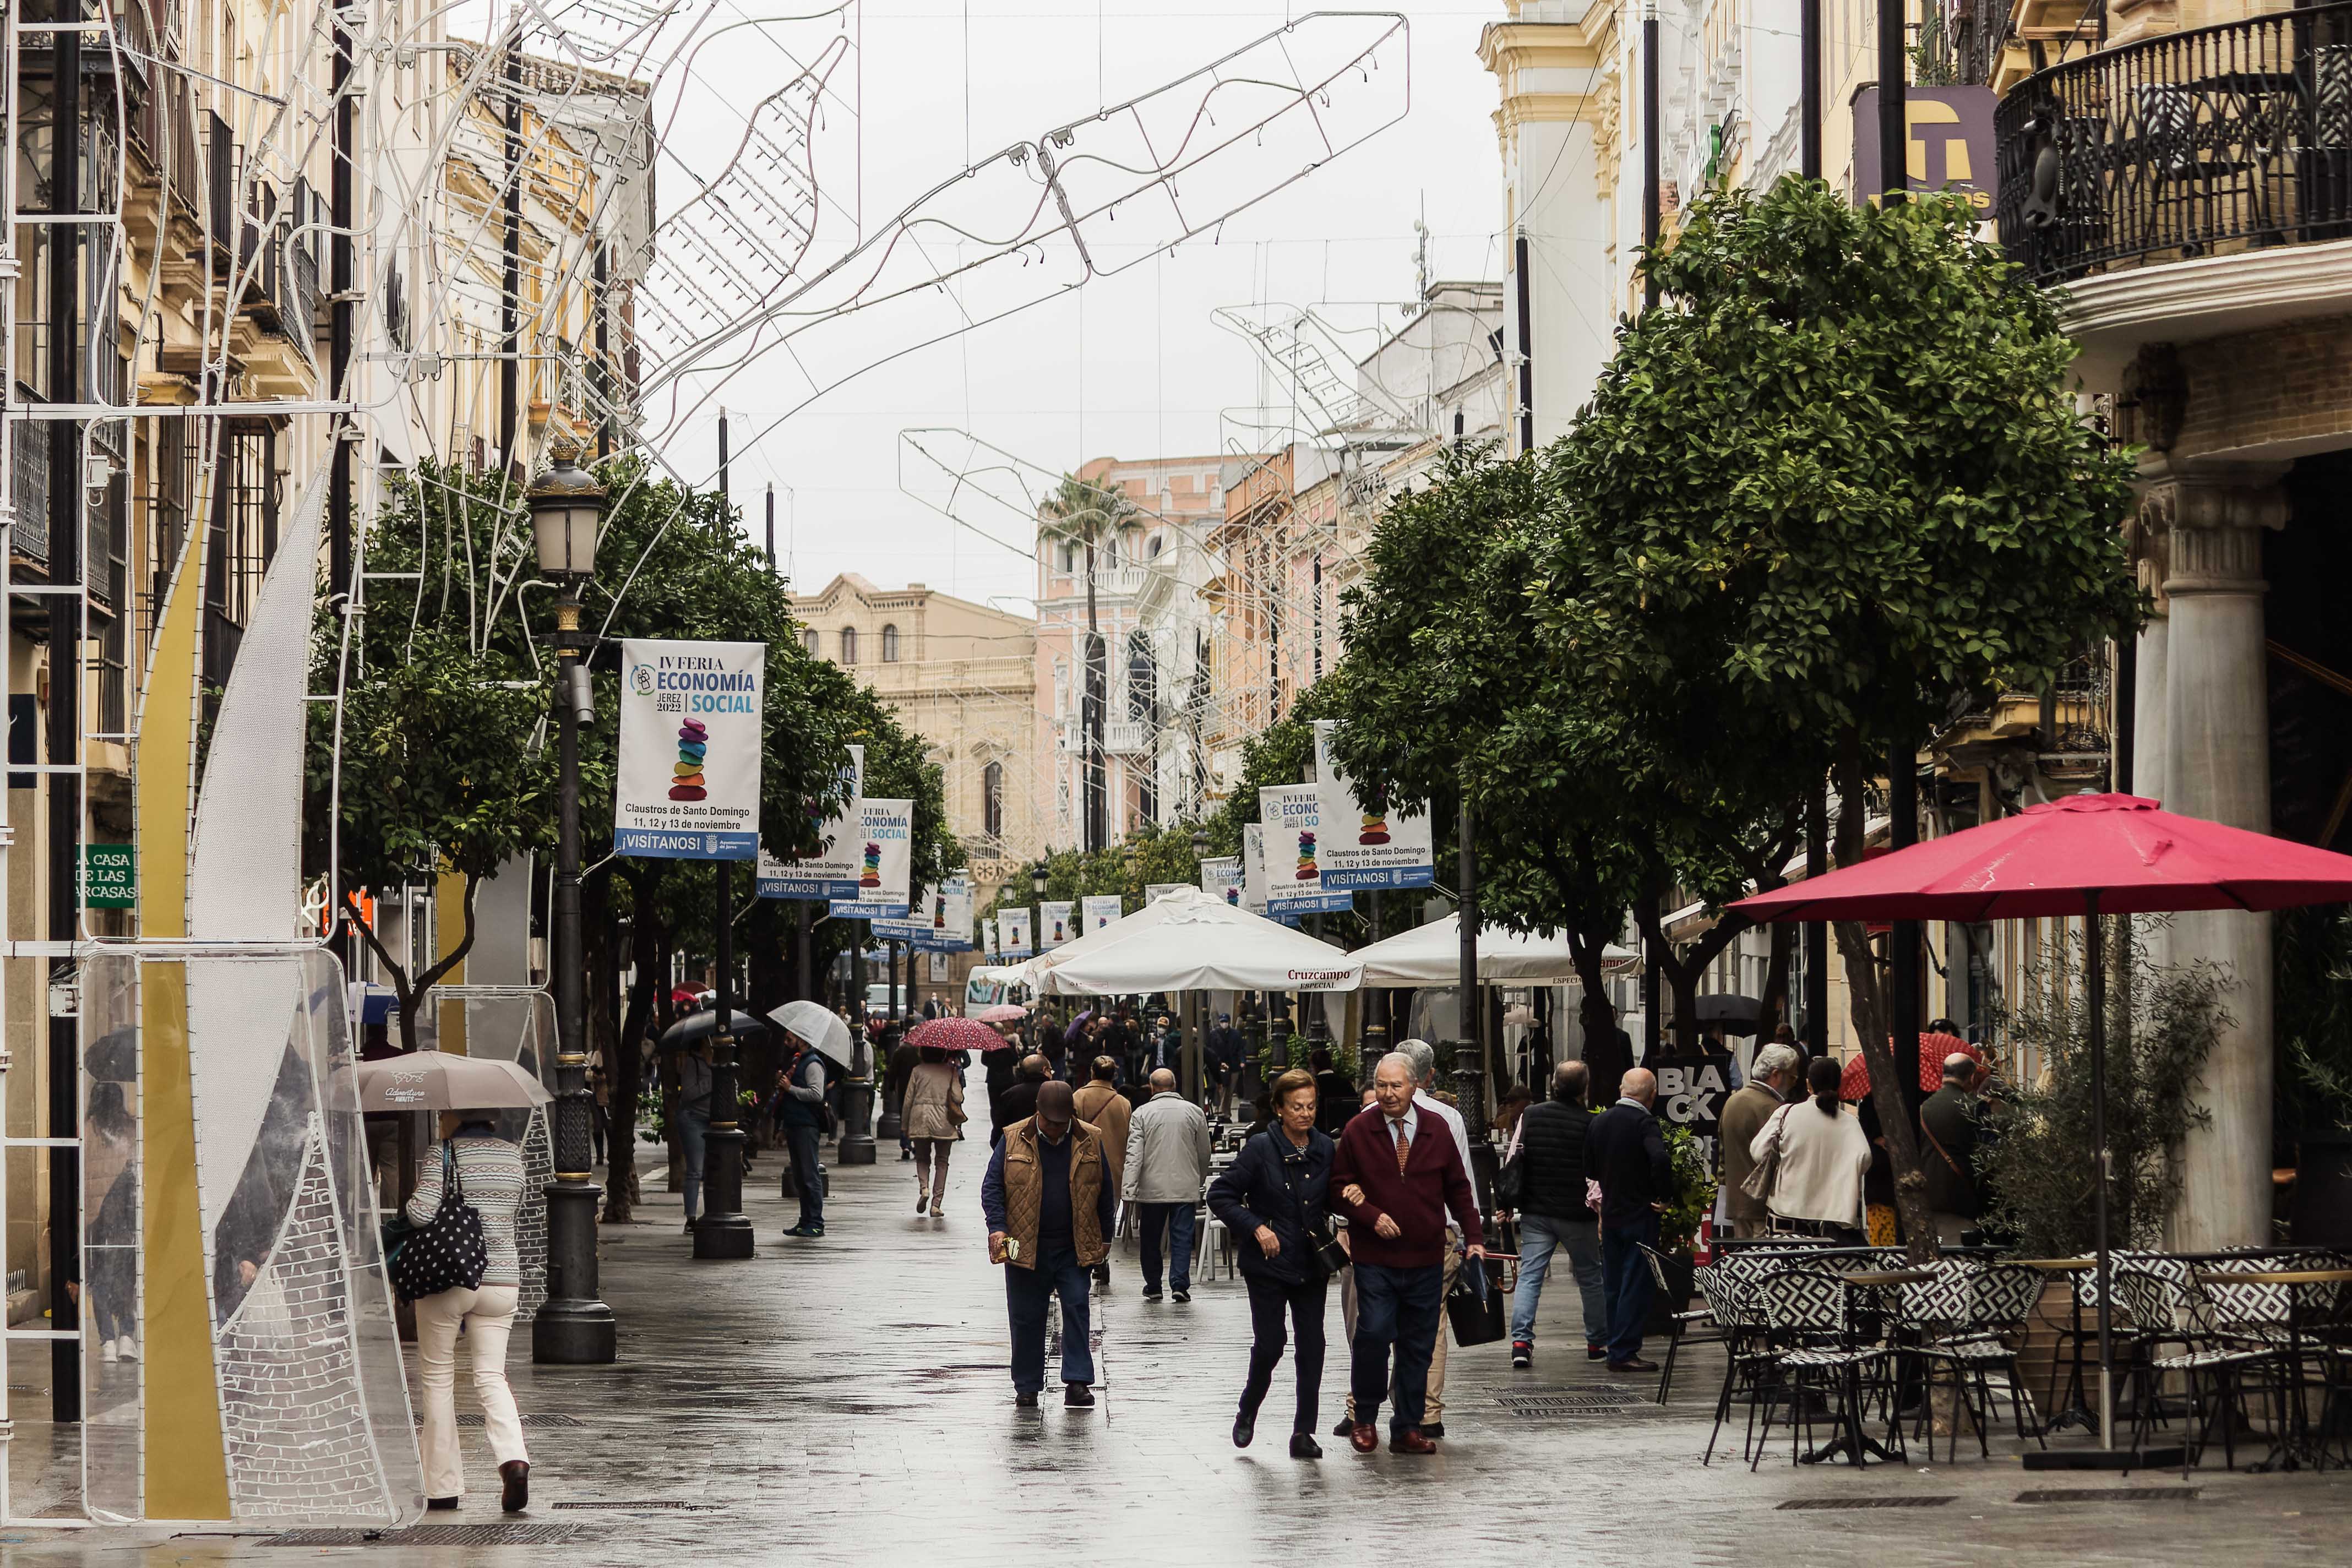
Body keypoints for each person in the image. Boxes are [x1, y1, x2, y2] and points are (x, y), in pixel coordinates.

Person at [1330, 1052, 1484, 1455]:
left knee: (1418, 1344)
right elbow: (1339, 1187)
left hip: (1425, 1256)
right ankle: (1365, 1418)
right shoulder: (1359, 1130)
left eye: (1396, 1086)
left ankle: (1408, 1426)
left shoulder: (1436, 1127)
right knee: (1374, 1332)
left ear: (1415, 1086)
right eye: (1381, 1085)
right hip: (1375, 1257)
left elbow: (1459, 1188)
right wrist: (1369, 1214)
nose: (1387, 1094)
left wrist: (1476, 1238)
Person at [1207, 1068, 1334, 1458]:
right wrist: (1257, 1228)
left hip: (1311, 1261)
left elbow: (1335, 1194)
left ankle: (1303, 1432)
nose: (1305, 1114)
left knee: (1313, 1346)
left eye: (1311, 1107)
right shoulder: (1260, 1148)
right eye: (1297, 1107)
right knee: (1272, 1344)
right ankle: (1248, 1409)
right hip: (1269, 1262)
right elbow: (1220, 1195)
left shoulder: (1325, 1147)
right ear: (1279, 1109)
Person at [410, 1111, 530, 1512]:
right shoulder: (514, 1156)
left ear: (453, 1116)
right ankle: (513, 1460)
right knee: (492, 1376)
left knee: (438, 1376)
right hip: (501, 1281)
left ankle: (443, 1487)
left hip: (451, 1278)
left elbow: (421, 1213)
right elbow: (513, 1212)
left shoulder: (442, 1152)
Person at [981, 1081, 1116, 1409]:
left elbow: (1105, 1191)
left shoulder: (1090, 1138)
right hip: (1022, 1243)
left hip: (1073, 1243)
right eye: (1051, 1122)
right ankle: (1026, 1386)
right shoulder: (1012, 1137)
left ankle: (1078, 1382)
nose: (1057, 1129)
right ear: (1038, 1114)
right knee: (1026, 1316)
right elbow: (992, 1188)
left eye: (1063, 1122)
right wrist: (998, 1228)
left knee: (1076, 1307)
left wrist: (1104, 1239)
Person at [1504, 1061, 1608, 1369]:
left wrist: (1510, 1201)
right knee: (1590, 1276)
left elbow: (1514, 1158)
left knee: (1530, 1276)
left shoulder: (1531, 1115)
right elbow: (1597, 1175)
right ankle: (1597, 1342)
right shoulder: (1593, 1123)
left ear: (1553, 1085)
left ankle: (1521, 1343)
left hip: (1537, 1211)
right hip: (1577, 1213)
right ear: (1585, 1088)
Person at [1587, 1065, 1670, 1374]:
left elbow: (1591, 1167)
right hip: (1640, 1212)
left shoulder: (1600, 1121)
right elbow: (1660, 1158)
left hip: (1611, 1214)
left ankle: (1615, 1344)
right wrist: (1663, 1195)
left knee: (1614, 1282)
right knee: (1636, 1281)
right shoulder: (1645, 1123)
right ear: (1652, 1095)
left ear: (1622, 1090)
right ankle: (1624, 1351)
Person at [1752, 1056, 1872, 1242]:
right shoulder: (1850, 1123)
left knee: (1787, 1270)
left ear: (1809, 1085)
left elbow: (1758, 1152)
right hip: (1833, 1220)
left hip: (1786, 1217)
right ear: (1839, 1087)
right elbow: (1864, 1157)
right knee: (1828, 1271)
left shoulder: (1787, 1114)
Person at [1122, 1067, 1211, 1302]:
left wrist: (1129, 1190)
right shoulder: (1194, 1112)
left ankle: (1153, 1285)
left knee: (1150, 1237)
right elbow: (1204, 1152)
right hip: (1185, 1186)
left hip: (1152, 1189)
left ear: (1152, 1087)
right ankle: (1180, 1284)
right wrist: (1198, 1178)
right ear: (1174, 1085)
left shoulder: (1141, 1114)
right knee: (1182, 1236)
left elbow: (1134, 1155)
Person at [1719, 1041, 1804, 1240]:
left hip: (1736, 1204)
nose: (1793, 1084)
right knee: (1765, 1264)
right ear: (1775, 1075)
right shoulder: (1775, 1109)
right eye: (1792, 1077)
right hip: (1764, 1208)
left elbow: (1722, 1157)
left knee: (1744, 1264)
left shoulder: (1732, 1102)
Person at [1072, 1057, 1134, 1283]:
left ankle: (1092, 1257)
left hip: (1083, 1166)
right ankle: (1102, 1257)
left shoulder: (1078, 1097)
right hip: (1115, 1168)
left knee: (1085, 1214)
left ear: (1092, 1072)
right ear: (1114, 1076)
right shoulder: (1123, 1103)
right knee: (1107, 1213)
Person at [1921, 1052, 1989, 1245]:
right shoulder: (1975, 1107)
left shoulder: (1923, 1108)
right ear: (1972, 1077)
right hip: (1963, 1198)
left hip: (1930, 1198)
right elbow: (1986, 1154)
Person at [776, 1030, 830, 1238]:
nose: (787, 1040)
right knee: (800, 1176)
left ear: (801, 1039)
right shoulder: (797, 1061)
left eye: (790, 1037)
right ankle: (805, 1220)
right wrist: (782, 1128)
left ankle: (816, 1222)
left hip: (806, 1125)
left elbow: (817, 1094)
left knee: (809, 1175)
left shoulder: (813, 1063)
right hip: (794, 1124)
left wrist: (791, 1088)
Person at [901, 1044, 967, 1216]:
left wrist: (905, 1125)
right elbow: (958, 1097)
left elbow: (908, 1100)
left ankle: (924, 1188)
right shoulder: (949, 1071)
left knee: (922, 1159)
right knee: (942, 1161)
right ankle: (936, 1205)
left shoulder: (917, 1071)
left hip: (920, 1117)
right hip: (943, 1119)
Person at [676, 1043, 713, 1234]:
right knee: (695, 1170)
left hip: (713, 1121)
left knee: (711, 1171)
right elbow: (689, 1094)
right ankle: (691, 1218)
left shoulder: (721, 1063)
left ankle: (711, 1213)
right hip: (694, 1119)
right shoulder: (693, 1063)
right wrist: (713, 1081)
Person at [994, 1054, 1049, 1141]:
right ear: (1045, 1070)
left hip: (1016, 1146)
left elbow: (998, 1133)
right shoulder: (1056, 1093)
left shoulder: (1010, 1095)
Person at [1208, 1012, 1247, 1117]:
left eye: (1225, 1021)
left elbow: (1241, 1049)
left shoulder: (1236, 1034)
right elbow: (1212, 1050)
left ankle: (1226, 1112)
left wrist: (1242, 1061)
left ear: (1229, 1022)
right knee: (1221, 1089)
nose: (1224, 1024)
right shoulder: (1215, 1034)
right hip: (1220, 1065)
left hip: (1234, 1066)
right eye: (1222, 1022)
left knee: (1230, 1091)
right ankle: (1220, 1111)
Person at [1310, 1049, 1353, 1137]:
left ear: (1314, 1066)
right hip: (1344, 1132)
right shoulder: (1345, 1083)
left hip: (1318, 1133)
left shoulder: (1313, 1084)